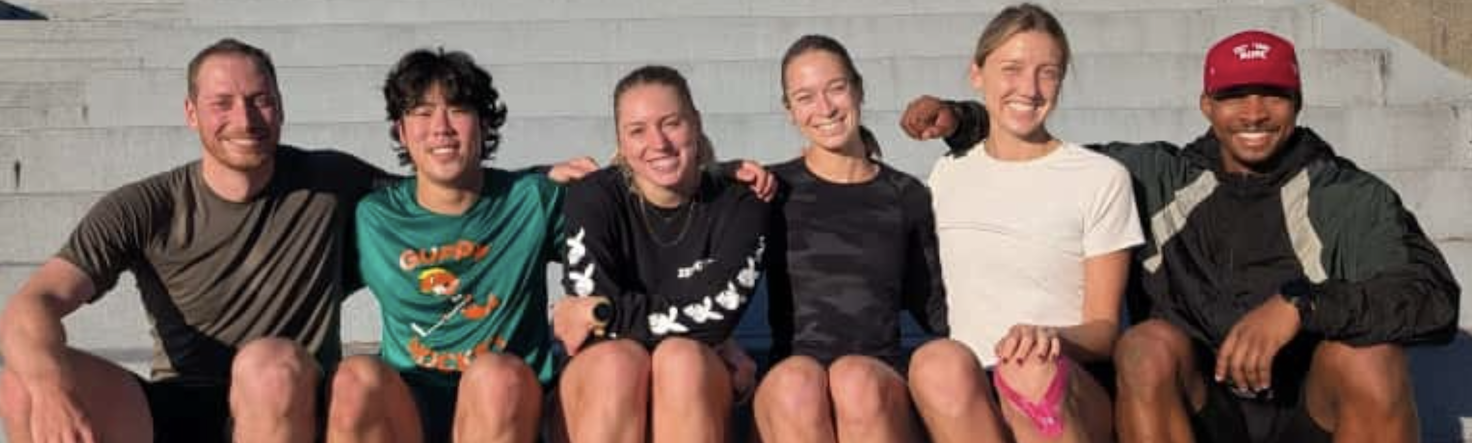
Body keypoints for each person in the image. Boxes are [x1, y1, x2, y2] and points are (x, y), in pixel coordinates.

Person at [901, 28, 1460, 443]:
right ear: (1207, 105)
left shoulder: (1348, 195)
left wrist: (1301, 306)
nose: (1254, 113)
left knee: (1372, 358)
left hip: (1305, 407)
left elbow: (1433, 297)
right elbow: (1048, 157)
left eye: (1273, 95)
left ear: (1297, 103)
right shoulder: (1161, 177)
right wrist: (964, 121)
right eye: (1235, 96)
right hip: (1198, 409)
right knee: (1145, 346)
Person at [0, 38, 387, 443]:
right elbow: (33, 303)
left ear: (281, 106)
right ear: (191, 113)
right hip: (182, 398)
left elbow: (427, 205)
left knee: (267, 367)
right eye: (222, 103)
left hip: (291, 399)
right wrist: (50, 389)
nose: (245, 119)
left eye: (260, 100)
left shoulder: (331, 180)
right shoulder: (146, 206)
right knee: (24, 381)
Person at [893, 5, 1143, 442]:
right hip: (973, 391)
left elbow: (1104, 331)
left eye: (1048, 73)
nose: (1029, 88)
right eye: (1011, 69)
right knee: (934, 361)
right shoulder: (948, 174)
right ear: (977, 74)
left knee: (1026, 369)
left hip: (1066, 378)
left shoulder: (1101, 178)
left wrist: (1049, 338)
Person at [324, 48, 597, 443]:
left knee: (493, 376)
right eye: (422, 112)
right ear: (401, 131)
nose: (441, 128)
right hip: (411, 407)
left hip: (508, 403)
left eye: (457, 110)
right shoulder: (374, 219)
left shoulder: (531, 201)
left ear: (484, 124)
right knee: (353, 377)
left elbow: (623, 239)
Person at [551, 65, 769, 443]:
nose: (658, 142)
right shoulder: (593, 197)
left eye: (671, 123)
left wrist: (606, 312)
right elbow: (594, 327)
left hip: (694, 374)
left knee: (681, 360)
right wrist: (704, 329)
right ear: (620, 140)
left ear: (696, 123)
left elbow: (714, 317)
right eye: (637, 130)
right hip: (604, 375)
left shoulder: (740, 202)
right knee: (619, 362)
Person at [751, 34, 949, 443]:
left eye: (836, 88)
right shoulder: (769, 191)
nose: (824, 108)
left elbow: (935, 311)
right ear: (790, 111)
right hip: (792, 386)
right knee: (797, 383)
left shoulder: (906, 195)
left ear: (858, 89)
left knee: (854, 379)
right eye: (805, 97)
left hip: (877, 382)